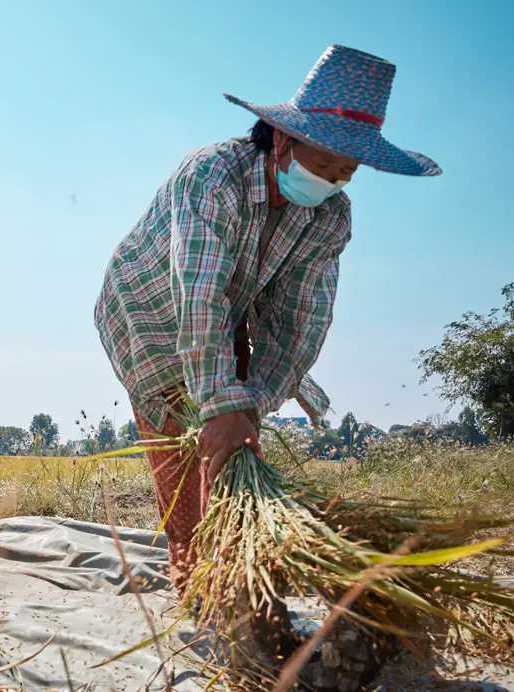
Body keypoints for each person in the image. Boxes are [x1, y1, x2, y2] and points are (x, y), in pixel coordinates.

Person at [93, 44, 440, 681]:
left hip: (230, 316)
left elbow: (302, 319)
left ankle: (246, 577)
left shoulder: (328, 216)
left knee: (233, 442)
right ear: (281, 140)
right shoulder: (212, 177)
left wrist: (250, 403)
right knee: (183, 447)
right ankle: (198, 582)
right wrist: (219, 407)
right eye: (326, 162)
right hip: (147, 313)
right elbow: (196, 295)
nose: (335, 180)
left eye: (348, 171)